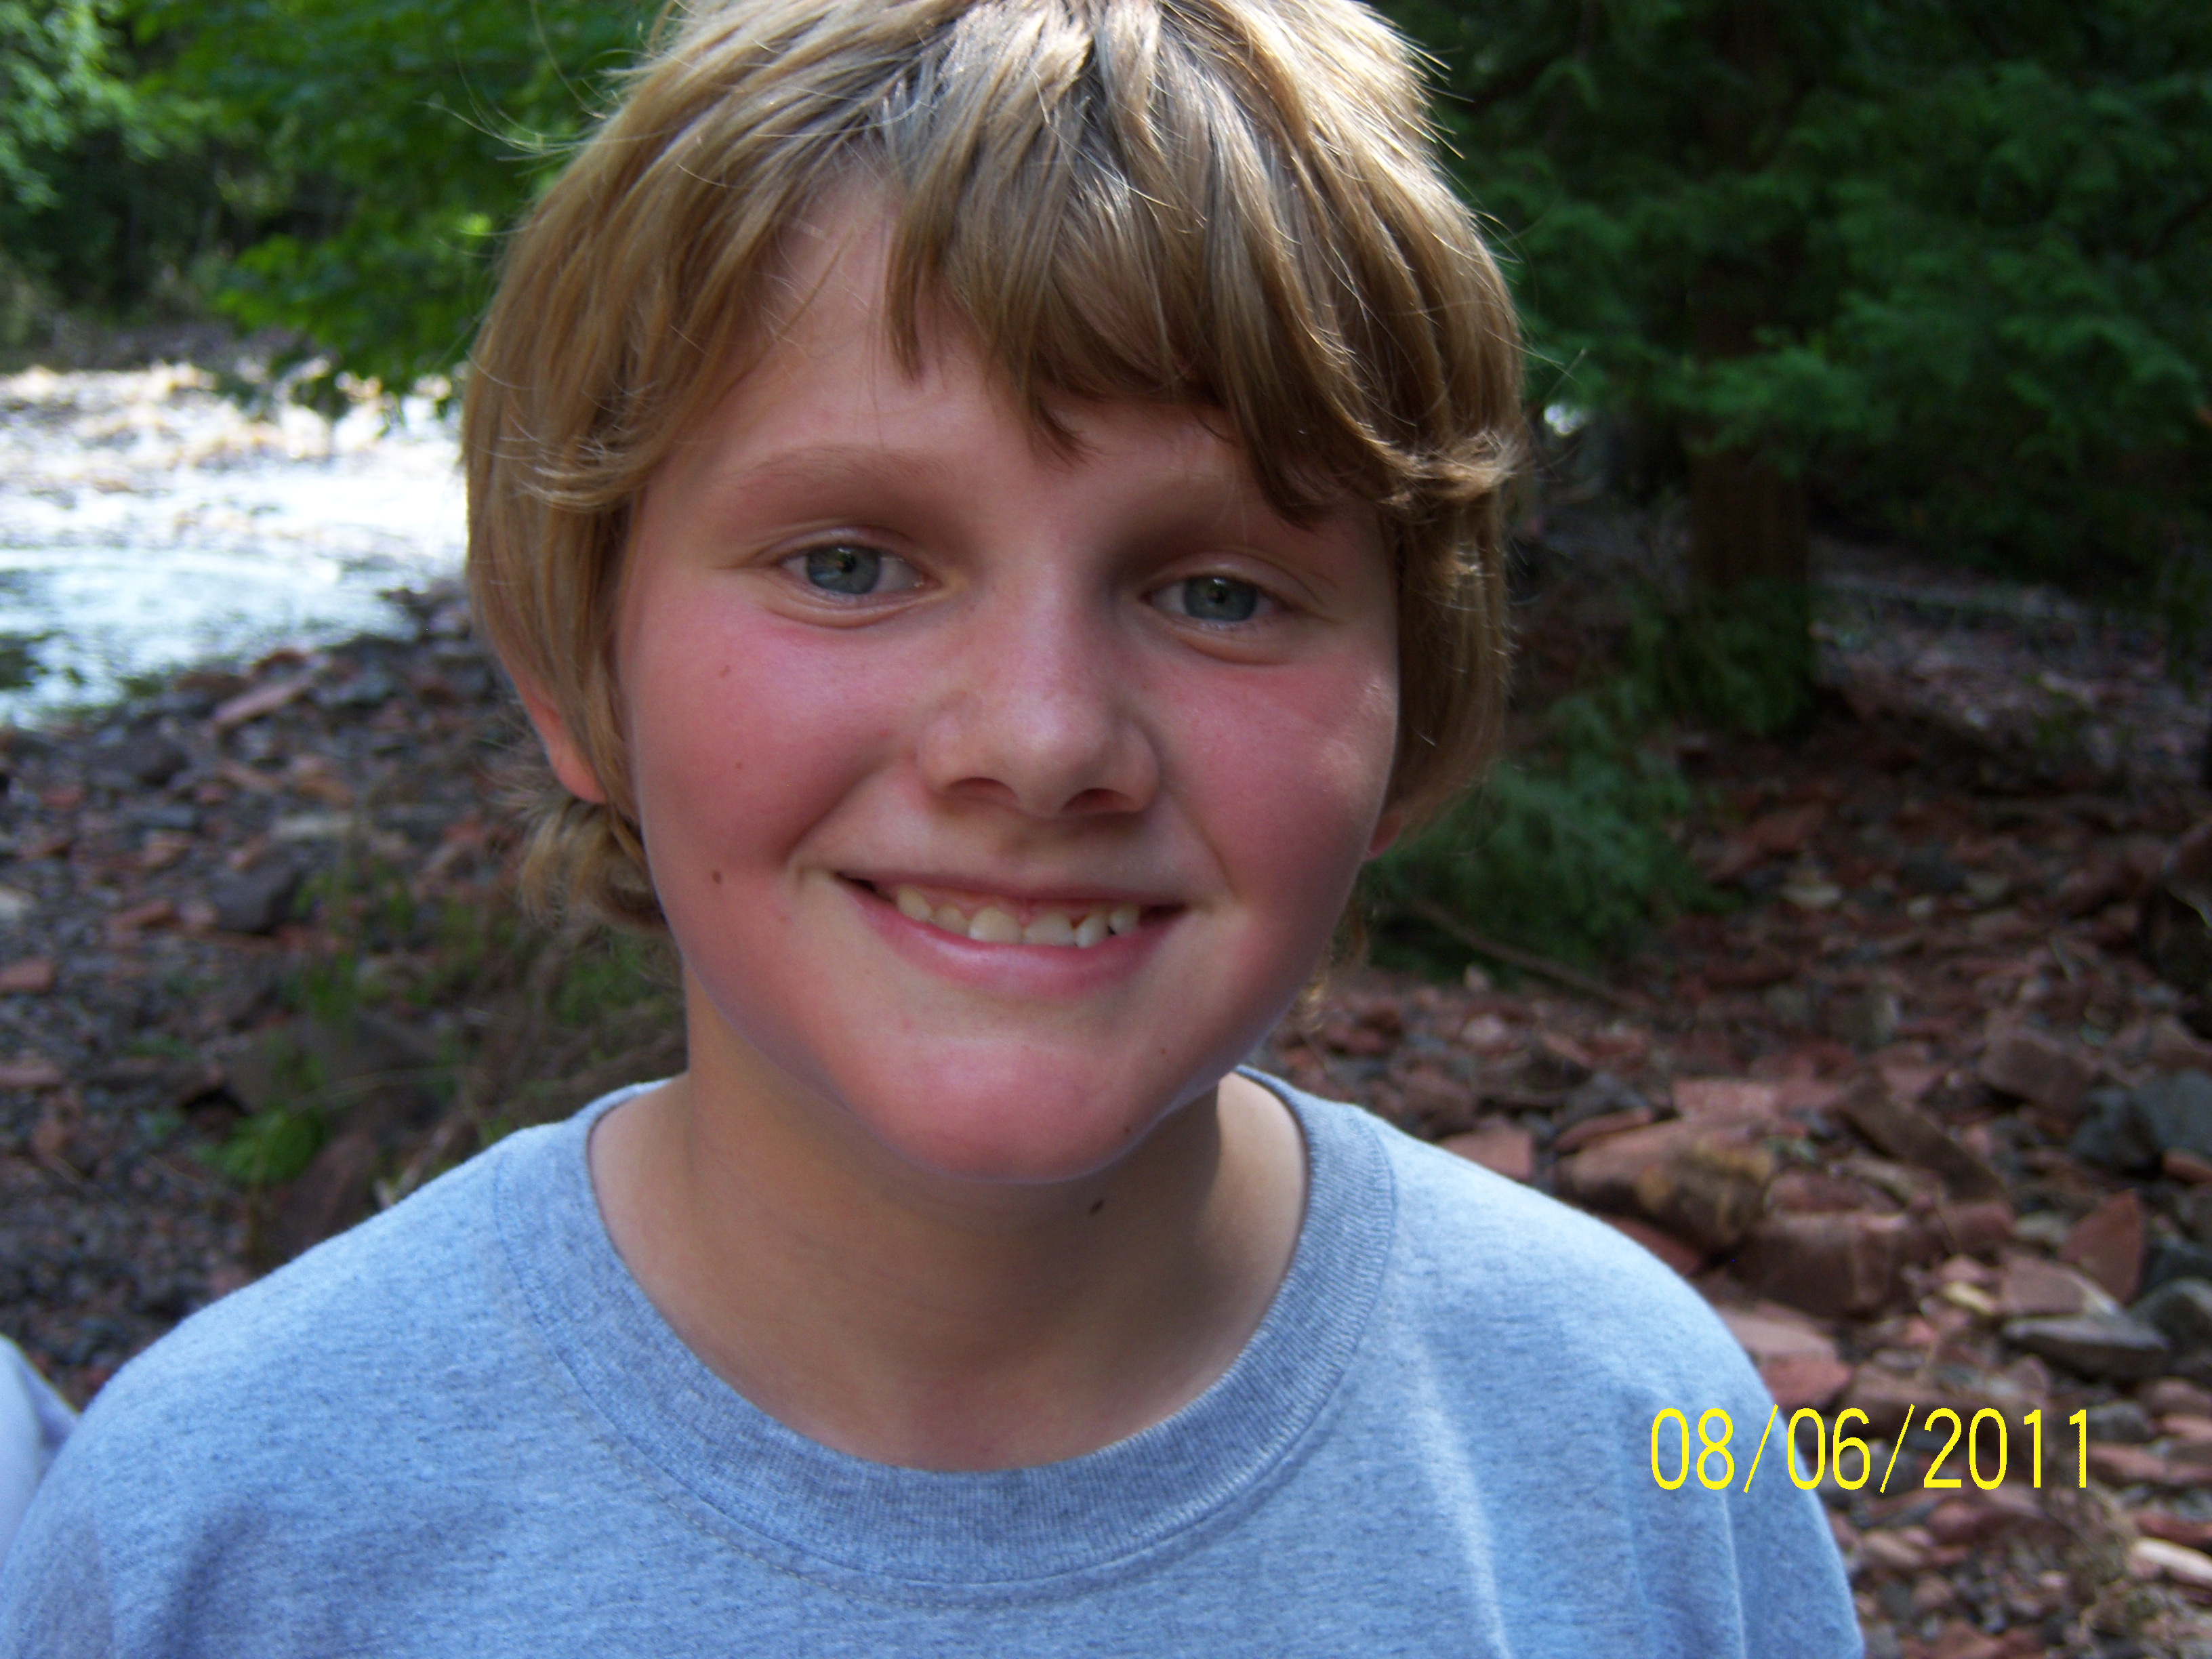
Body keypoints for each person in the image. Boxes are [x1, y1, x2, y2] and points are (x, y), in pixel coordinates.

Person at [0, 1, 1860, 1652]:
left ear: (1413, 706)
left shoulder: (1642, 1448)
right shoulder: (214, 1537)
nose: (1041, 743)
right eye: (849, 563)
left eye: (1220, 591)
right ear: (577, 668)